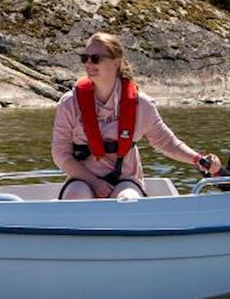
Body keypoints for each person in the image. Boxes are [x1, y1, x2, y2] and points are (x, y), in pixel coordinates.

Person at [52, 32, 220, 199]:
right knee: (75, 196)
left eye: (95, 58)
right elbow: (60, 153)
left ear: (115, 63)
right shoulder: (69, 103)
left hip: (124, 179)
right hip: (83, 179)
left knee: (128, 200)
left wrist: (198, 159)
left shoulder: (141, 105)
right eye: (84, 58)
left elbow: (167, 142)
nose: (88, 63)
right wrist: (94, 182)